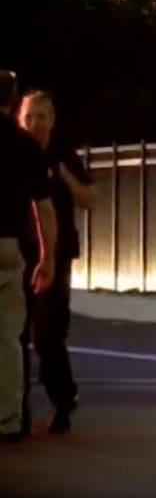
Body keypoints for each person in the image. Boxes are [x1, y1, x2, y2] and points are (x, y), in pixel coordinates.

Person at [18, 90, 93, 435]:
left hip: (57, 254)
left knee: (48, 333)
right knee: (15, 333)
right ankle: (15, 408)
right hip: (19, 252)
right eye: (29, 116)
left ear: (53, 120)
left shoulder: (61, 153)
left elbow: (90, 199)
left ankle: (62, 401)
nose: (35, 123)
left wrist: (64, 176)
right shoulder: (13, 150)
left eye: (41, 116)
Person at [0, 69, 56, 444]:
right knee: (8, 339)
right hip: (8, 246)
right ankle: (8, 418)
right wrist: (47, 256)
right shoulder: (25, 146)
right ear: (12, 101)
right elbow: (44, 209)